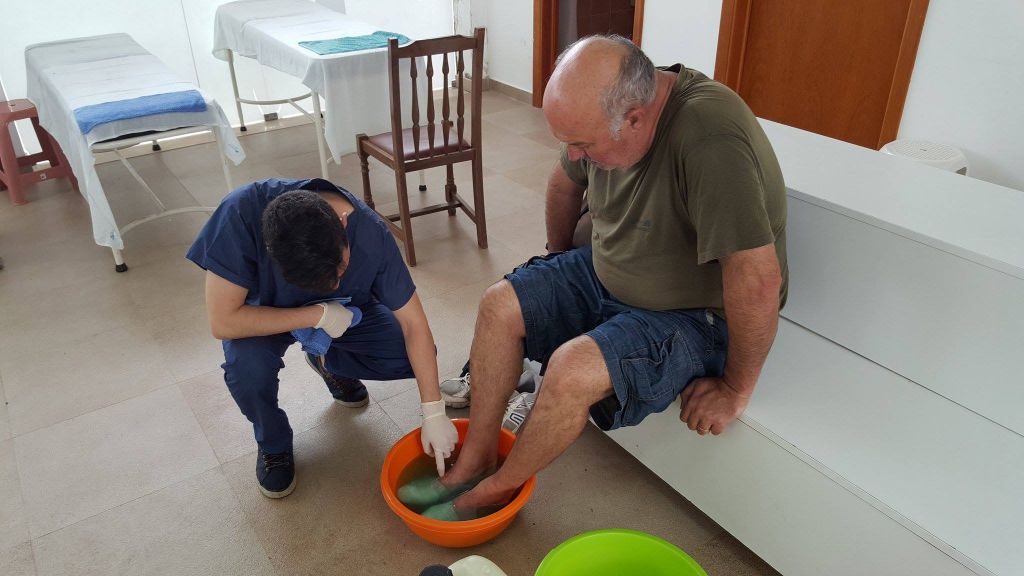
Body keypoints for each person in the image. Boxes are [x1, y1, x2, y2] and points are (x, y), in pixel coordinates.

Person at [400, 35, 788, 520]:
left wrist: (735, 389)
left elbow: (756, 279)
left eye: (583, 144)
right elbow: (564, 183)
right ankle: (475, 458)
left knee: (570, 369)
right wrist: (557, 268)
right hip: (614, 268)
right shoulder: (605, 117)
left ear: (635, 118)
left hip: (695, 312)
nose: (575, 154)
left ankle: (496, 489)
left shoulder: (710, 138)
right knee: (500, 304)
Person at [187, 177, 457, 498]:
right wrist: (316, 315)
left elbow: (414, 324)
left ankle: (327, 360)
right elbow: (223, 321)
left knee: (407, 354)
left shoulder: (370, 235)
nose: (334, 284)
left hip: (344, 315)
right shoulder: (239, 214)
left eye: (340, 270)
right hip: (262, 317)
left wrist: (433, 410)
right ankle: (273, 442)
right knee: (248, 374)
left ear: (342, 223)